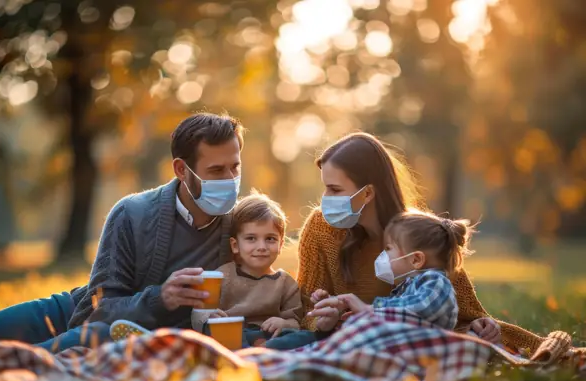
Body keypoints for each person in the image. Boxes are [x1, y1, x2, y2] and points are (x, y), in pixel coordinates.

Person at [0, 113, 244, 352]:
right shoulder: (132, 213)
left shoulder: (242, 228)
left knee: (25, 357)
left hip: (110, 336)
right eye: (216, 171)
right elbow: (102, 307)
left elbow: (261, 298)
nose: (230, 179)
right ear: (181, 170)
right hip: (74, 312)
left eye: (235, 167)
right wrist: (160, 298)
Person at [297, 132, 557, 355]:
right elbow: (304, 310)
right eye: (325, 189)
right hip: (346, 344)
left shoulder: (419, 235)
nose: (325, 199)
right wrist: (323, 321)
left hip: (407, 350)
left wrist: (485, 328)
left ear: (367, 193)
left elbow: (459, 315)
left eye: (335, 190)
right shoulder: (321, 229)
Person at [110, 192, 314, 350]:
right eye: (251, 238)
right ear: (235, 245)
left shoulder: (285, 283)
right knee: (205, 336)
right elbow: (198, 316)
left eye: (270, 239)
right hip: (229, 337)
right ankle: (158, 343)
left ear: (280, 244)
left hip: (267, 339)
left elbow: (295, 321)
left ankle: (249, 355)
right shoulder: (222, 276)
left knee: (305, 337)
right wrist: (208, 318)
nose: (261, 246)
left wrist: (283, 322)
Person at [312, 209, 476, 331]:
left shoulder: (436, 282)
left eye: (389, 249)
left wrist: (370, 310)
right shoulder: (406, 287)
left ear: (416, 259)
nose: (383, 255)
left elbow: (420, 309)